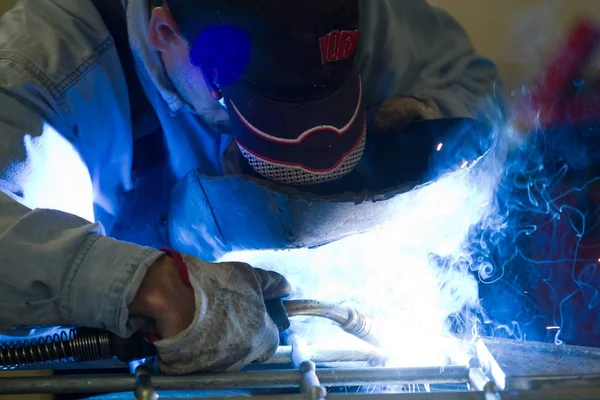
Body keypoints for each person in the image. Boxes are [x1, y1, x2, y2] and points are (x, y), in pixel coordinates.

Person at [0, 0, 505, 374]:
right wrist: (152, 286)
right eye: (253, 107)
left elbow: (469, 80)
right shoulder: (44, 71)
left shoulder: (349, 14)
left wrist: (431, 118)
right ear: (165, 33)